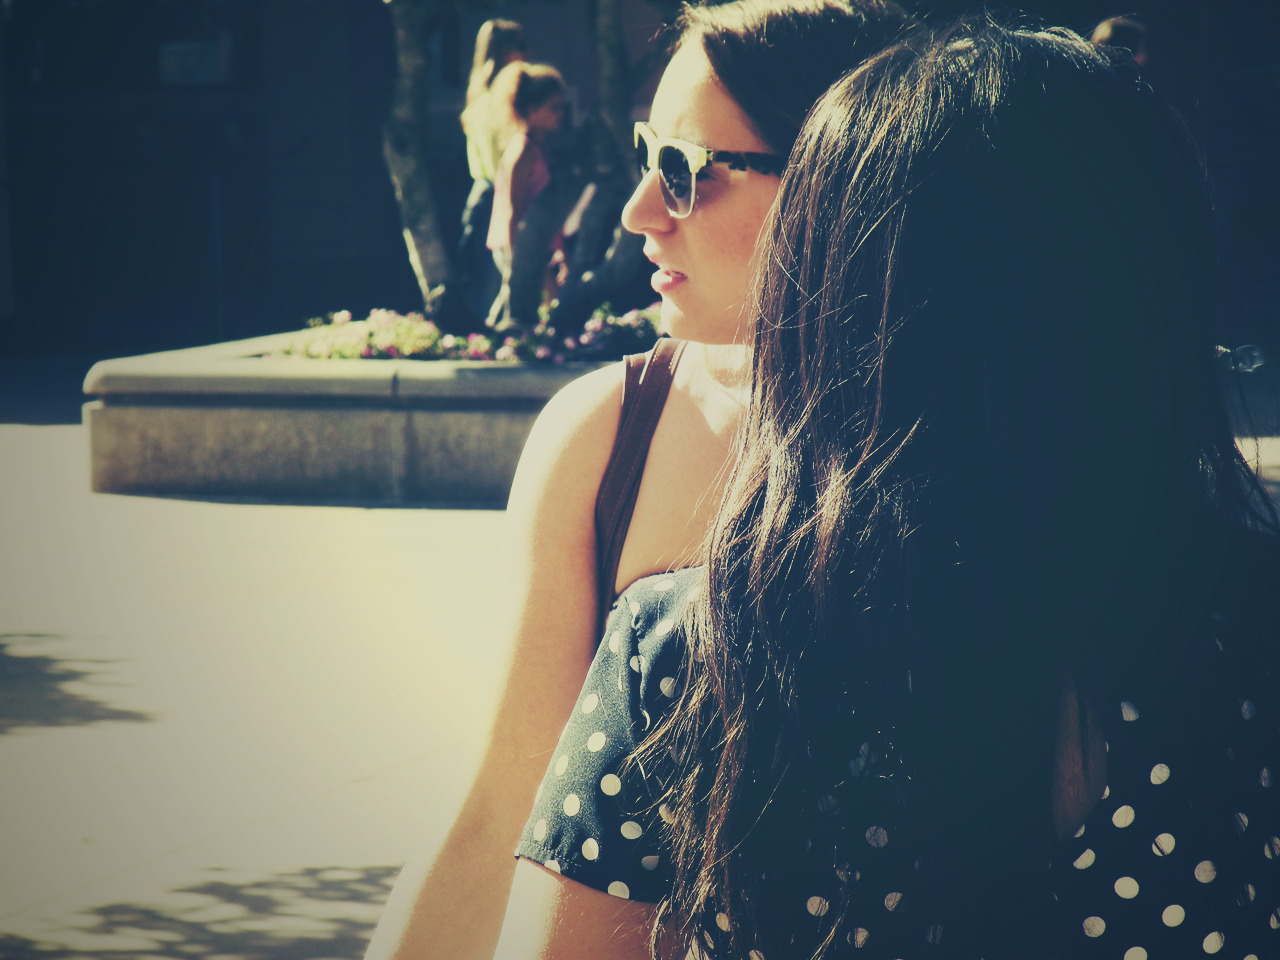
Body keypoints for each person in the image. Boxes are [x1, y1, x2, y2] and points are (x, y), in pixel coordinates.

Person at [500, 14, 1280, 960]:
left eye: (684, 167)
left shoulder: (684, 655)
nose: (638, 211)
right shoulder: (1247, 643)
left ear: (839, 273)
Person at [361, 3, 910, 958]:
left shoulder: (988, 440)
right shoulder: (607, 432)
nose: (639, 210)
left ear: (840, 177)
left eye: (688, 172)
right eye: (648, 153)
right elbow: (501, 816)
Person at [484, 61, 569, 328]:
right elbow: (513, 210)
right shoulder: (522, 151)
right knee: (519, 309)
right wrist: (516, 260)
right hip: (516, 245)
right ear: (532, 110)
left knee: (530, 304)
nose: (561, 114)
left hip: (534, 245)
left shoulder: (537, 148)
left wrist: (558, 249)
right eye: (554, 107)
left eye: (562, 107)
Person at [458, 19, 528, 321]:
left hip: (479, 191)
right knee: (499, 277)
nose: (527, 53)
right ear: (508, 50)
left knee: (484, 276)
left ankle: (483, 333)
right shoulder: (506, 95)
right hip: (500, 192)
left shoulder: (477, 94)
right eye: (522, 46)